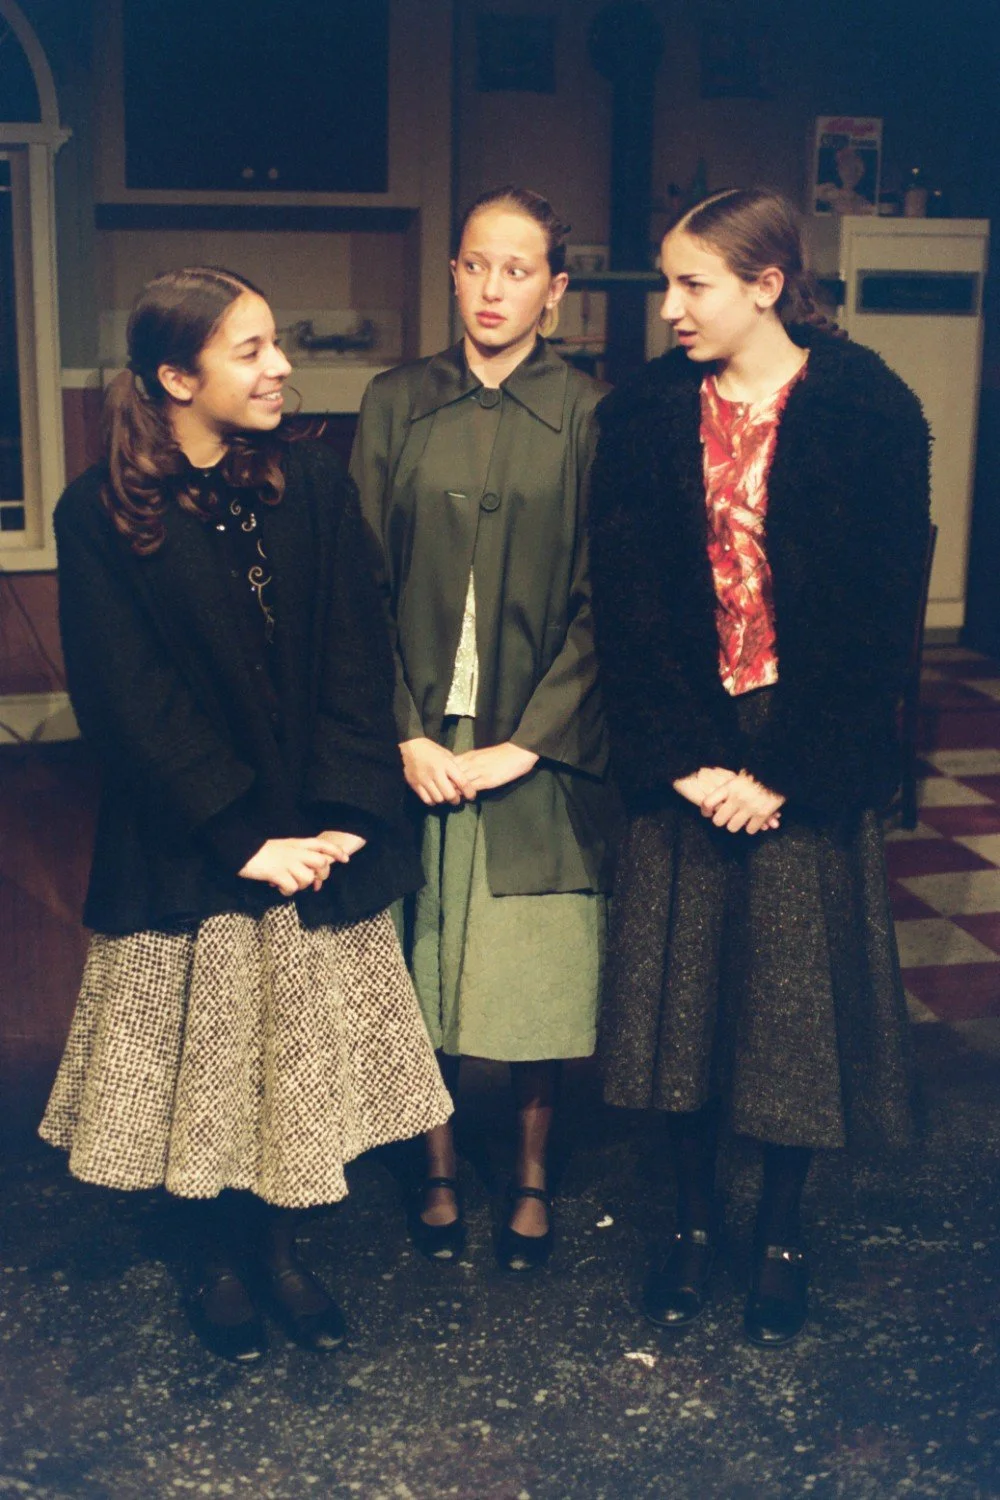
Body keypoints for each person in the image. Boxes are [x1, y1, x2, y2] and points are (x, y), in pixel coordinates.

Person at [40, 267, 452, 1362]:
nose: (280, 368)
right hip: (194, 842)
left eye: (277, 345)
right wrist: (241, 837)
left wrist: (346, 804)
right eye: (250, 350)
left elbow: (358, 651)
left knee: (288, 1065)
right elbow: (127, 699)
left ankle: (277, 1253)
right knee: (201, 1069)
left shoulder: (310, 486)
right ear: (176, 376)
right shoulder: (99, 512)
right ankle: (214, 1260)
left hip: (313, 830)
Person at [588, 188, 930, 1345]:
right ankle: (691, 1224)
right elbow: (623, 604)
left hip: (802, 751)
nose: (672, 307)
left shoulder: (868, 410)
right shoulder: (639, 415)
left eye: (694, 284)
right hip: (684, 744)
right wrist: (681, 759)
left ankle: (779, 1234)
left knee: (788, 1015)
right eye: (669, 282)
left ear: (767, 285)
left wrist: (790, 773)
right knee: (676, 1010)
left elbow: (883, 616)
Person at [350, 186, 615, 1272]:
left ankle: (534, 1171)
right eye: (474, 265)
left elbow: (613, 600)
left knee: (534, 964)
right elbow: (356, 585)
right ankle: (440, 1162)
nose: (493, 288)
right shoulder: (395, 400)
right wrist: (404, 730)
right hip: (416, 733)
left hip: (538, 738)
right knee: (424, 959)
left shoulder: (597, 416)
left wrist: (533, 738)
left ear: (556, 288)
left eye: (518, 270)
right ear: (451, 274)